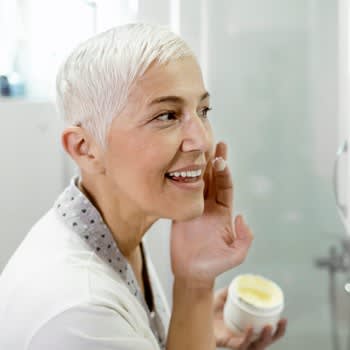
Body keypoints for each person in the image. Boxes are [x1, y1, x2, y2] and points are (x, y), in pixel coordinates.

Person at [0, 23, 287, 350]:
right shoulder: (80, 313)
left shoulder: (115, 237)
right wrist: (192, 292)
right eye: (167, 115)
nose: (203, 140)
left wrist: (195, 291)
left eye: (203, 110)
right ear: (84, 148)